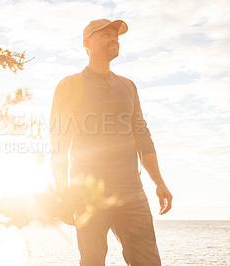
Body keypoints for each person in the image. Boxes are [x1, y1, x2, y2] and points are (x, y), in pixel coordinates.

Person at [49, 19, 173, 266]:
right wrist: (62, 193)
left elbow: (142, 136)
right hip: (88, 193)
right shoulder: (69, 85)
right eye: (106, 34)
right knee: (93, 261)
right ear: (87, 43)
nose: (114, 38)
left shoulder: (128, 86)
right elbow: (59, 144)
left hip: (132, 193)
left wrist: (159, 182)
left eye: (116, 35)